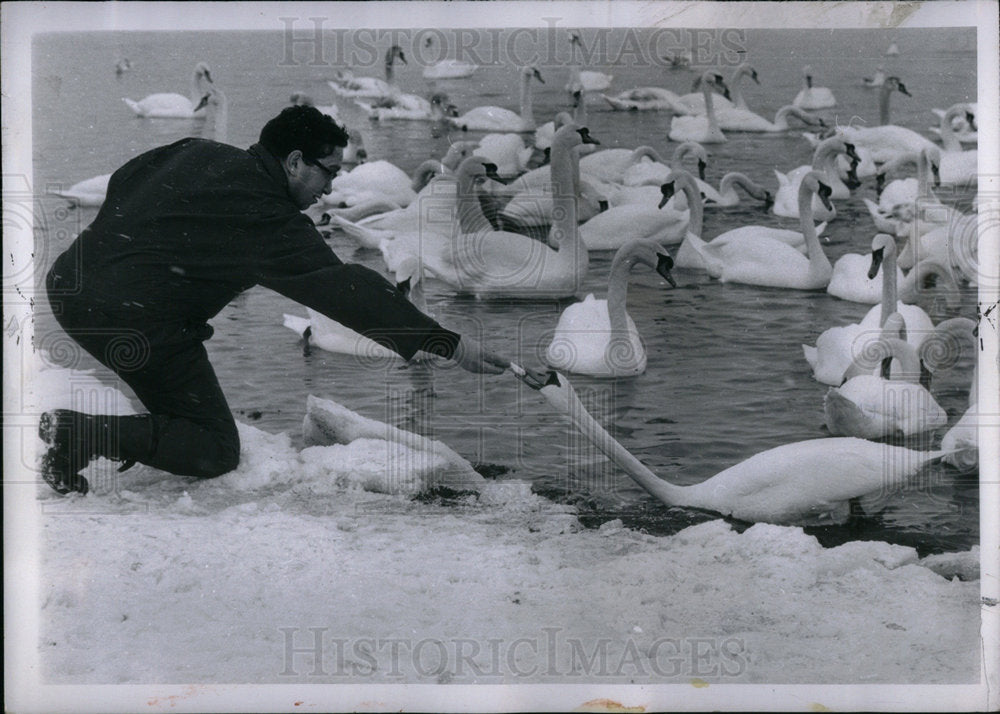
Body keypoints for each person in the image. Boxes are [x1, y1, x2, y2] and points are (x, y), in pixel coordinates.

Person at [40, 105, 509, 495]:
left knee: (180, 400)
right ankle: (79, 433)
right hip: (133, 318)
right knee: (214, 448)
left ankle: (131, 428)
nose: (329, 187)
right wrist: (446, 341)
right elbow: (344, 289)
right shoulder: (265, 216)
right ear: (294, 161)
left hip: (71, 283)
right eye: (327, 172)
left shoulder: (195, 150)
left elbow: (126, 180)